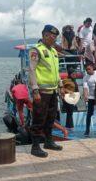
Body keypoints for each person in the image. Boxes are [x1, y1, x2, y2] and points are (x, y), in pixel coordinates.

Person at [29, 24, 64, 158]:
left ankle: (49, 141)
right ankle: (35, 146)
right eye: (52, 36)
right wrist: (35, 90)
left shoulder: (54, 51)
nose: (54, 39)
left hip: (53, 91)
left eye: (56, 37)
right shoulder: (36, 50)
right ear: (45, 35)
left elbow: (56, 71)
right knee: (39, 118)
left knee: (51, 117)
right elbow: (31, 70)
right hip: (42, 91)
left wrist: (60, 85)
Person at [83, 64, 96, 137]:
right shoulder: (85, 78)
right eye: (86, 69)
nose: (87, 71)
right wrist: (86, 95)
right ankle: (87, 130)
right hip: (91, 97)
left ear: (93, 68)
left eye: (89, 69)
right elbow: (85, 88)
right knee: (89, 114)